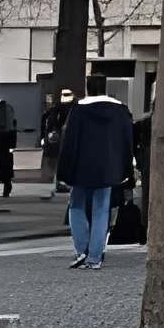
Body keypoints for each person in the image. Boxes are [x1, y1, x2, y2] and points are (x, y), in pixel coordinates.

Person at [56, 84, 135, 270]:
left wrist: (64, 170)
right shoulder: (120, 111)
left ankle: (81, 250)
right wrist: (125, 169)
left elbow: (70, 141)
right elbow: (126, 141)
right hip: (108, 168)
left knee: (76, 206)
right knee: (102, 210)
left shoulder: (78, 110)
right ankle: (95, 256)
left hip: (81, 167)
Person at [38, 87, 73, 190]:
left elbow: (47, 126)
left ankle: (59, 182)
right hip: (66, 140)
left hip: (56, 141)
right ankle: (62, 182)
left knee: (56, 162)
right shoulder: (74, 110)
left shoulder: (54, 110)